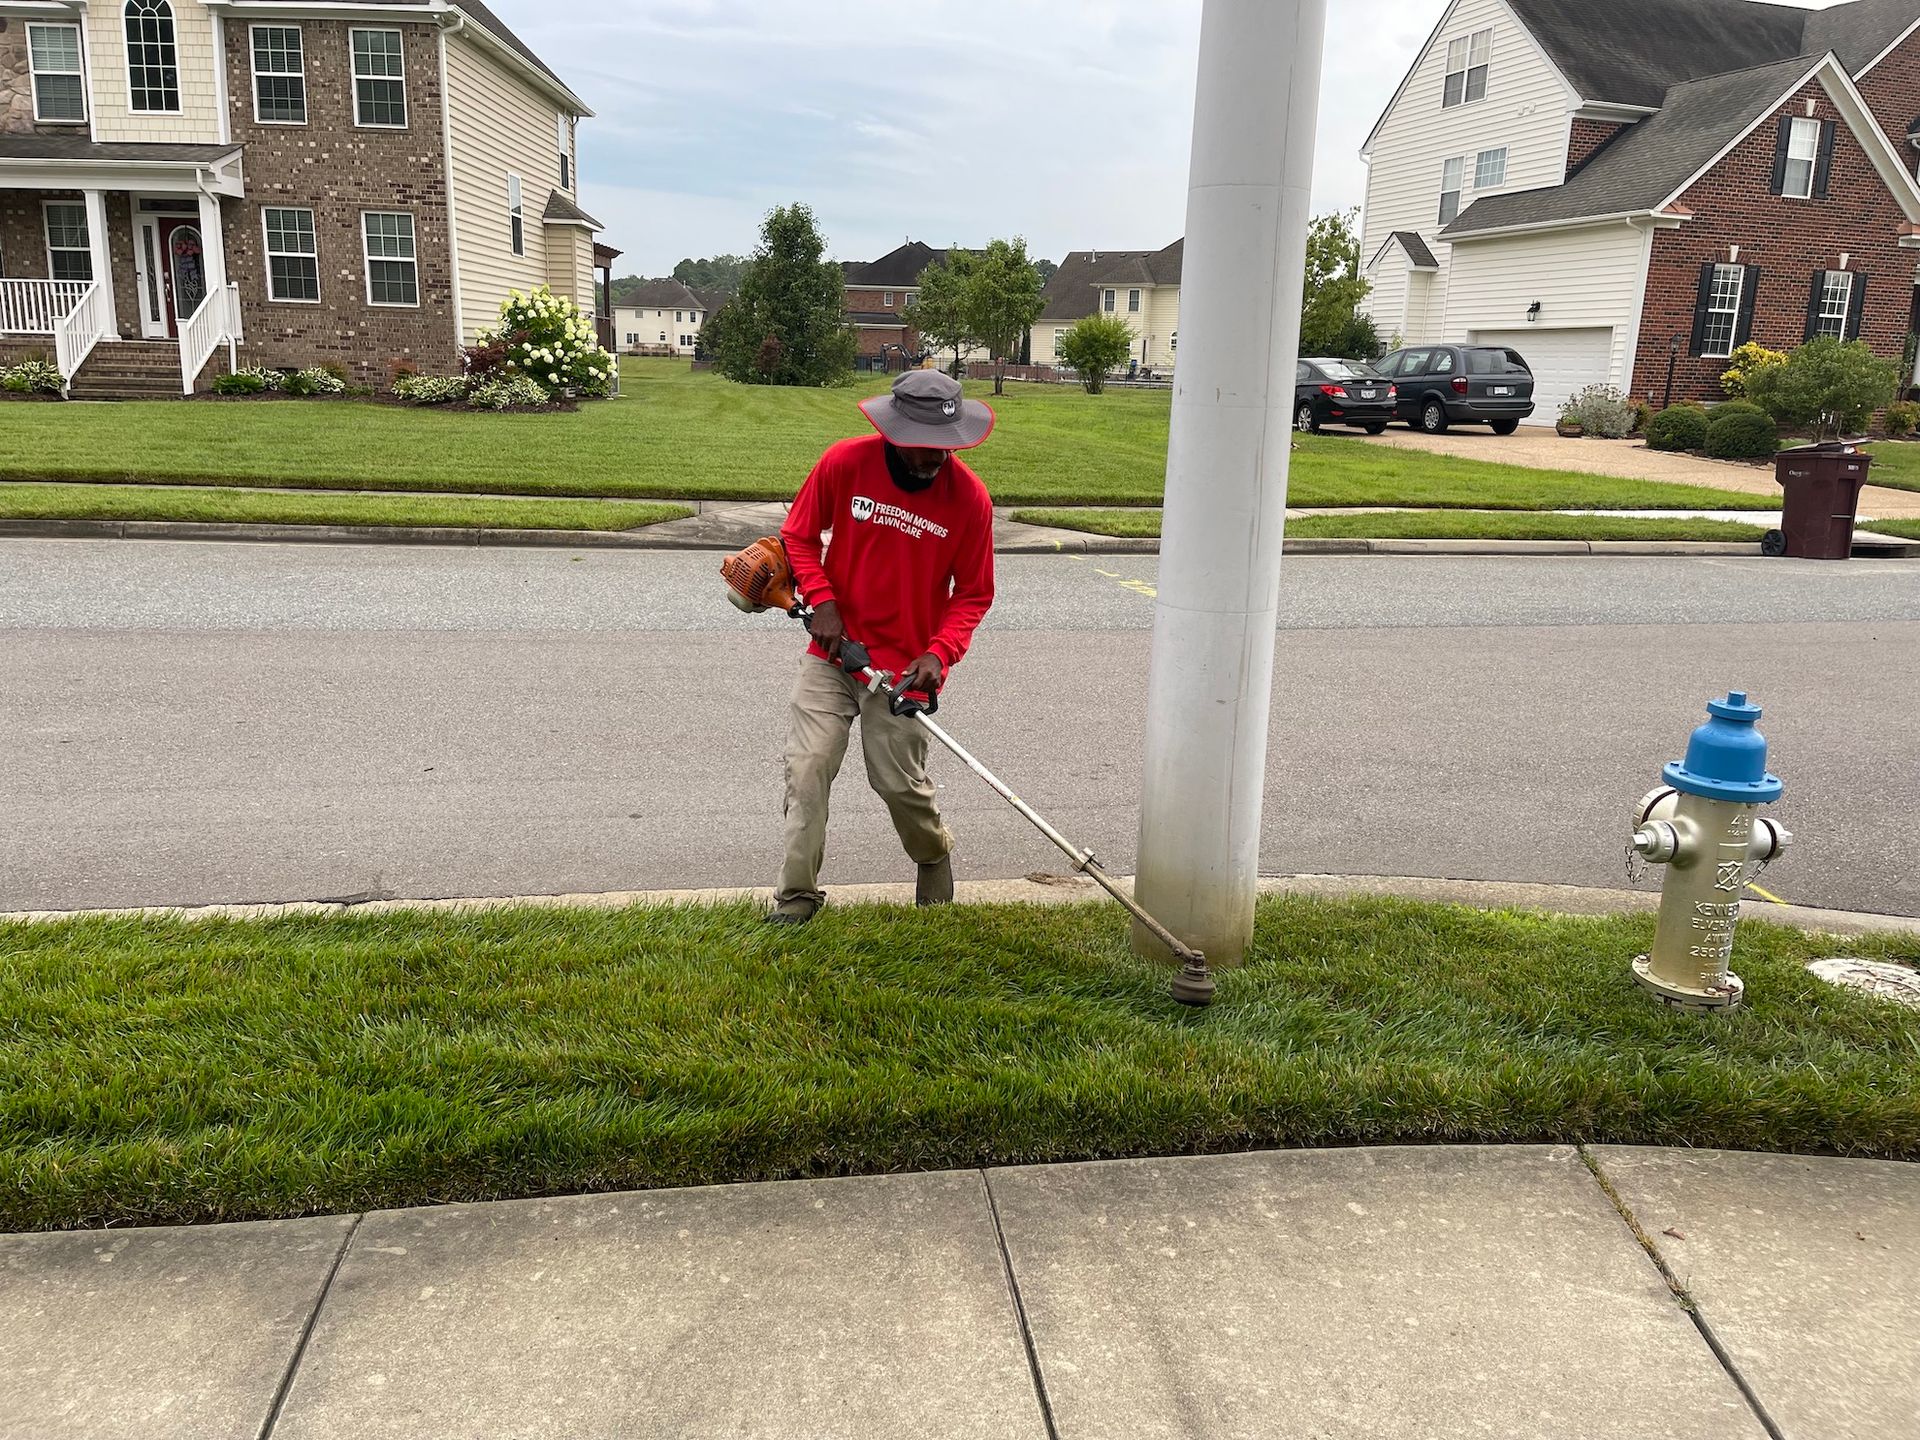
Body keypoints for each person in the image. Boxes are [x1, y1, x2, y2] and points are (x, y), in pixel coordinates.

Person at [769, 369, 997, 925]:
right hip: (833, 654)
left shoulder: (969, 500)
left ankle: (932, 853)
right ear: (892, 433)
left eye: (943, 449)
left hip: (901, 674)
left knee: (898, 784)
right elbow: (798, 535)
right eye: (920, 449)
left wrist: (938, 655)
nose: (932, 460)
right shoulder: (846, 463)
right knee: (808, 769)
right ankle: (797, 895)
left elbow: (973, 594)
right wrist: (820, 599)